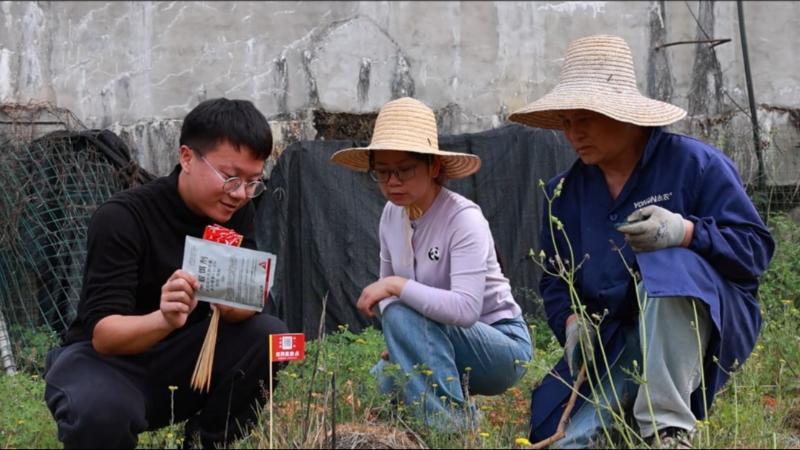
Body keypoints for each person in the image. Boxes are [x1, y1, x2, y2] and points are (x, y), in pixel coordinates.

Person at [508, 35, 774, 448]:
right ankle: (621, 420)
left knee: (665, 263)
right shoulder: (564, 192)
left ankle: (667, 429)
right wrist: (572, 322)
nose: (574, 133)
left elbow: (754, 250)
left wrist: (686, 233)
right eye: (566, 122)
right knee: (555, 431)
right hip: (617, 331)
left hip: (706, 322)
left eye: (586, 118)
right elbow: (556, 280)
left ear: (624, 114)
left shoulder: (694, 164)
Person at [43, 98, 289, 449]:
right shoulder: (123, 218)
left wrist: (237, 296)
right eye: (230, 177)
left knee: (271, 335)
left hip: (182, 358)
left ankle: (208, 442)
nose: (239, 193)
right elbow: (104, 336)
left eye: (252, 182)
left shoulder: (235, 210)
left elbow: (246, 311)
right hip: (108, 363)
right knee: (101, 411)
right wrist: (164, 318)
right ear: (187, 157)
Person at [330, 96, 533, 430]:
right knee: (378, 390)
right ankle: (447, 419)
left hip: (500, 347)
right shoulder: (390, 215)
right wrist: (405, 342)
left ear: (434, 167)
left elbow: (466, 310)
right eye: (382, 173)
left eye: (404, 170)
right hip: (437, 337)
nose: (392, 182)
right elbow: (390, 304)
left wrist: (396, 286)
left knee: (400, 311)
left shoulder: (464, 218)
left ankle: (452, 429)